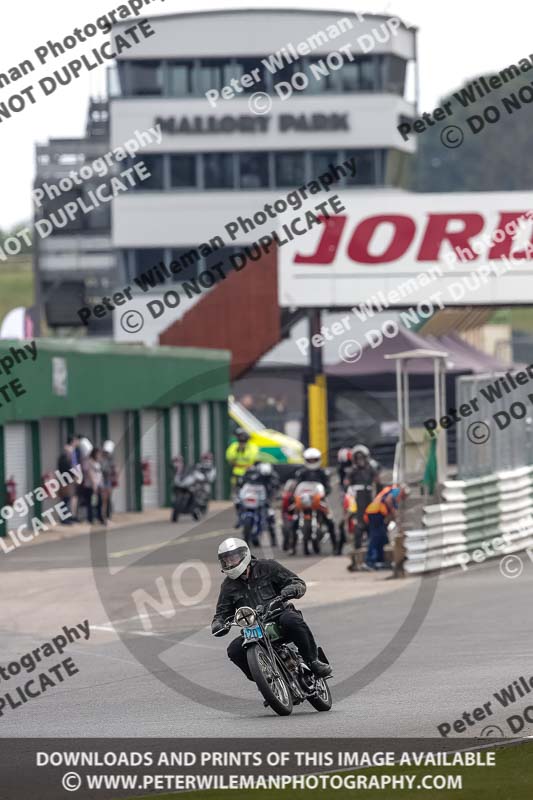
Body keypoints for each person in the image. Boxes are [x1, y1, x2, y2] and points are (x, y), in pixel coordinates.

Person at [211, 537, 332, 679]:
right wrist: (218, 624)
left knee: (291, 619)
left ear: (244, 555)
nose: (230, 562)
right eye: (226, 560)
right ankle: (265, 681)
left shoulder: (268, 567)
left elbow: (296, 582)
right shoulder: (227, 586)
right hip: (253, 629)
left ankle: (313, 661)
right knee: (234, 650)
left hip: (278, 617)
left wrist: (290, 590)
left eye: (233, 558)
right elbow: (221, 613)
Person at [292, 447, 337, 552]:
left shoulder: (323, 473)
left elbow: (328, 487)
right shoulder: (301, 473)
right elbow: (297, 487)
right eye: (310, 460)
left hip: (318, 500)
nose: (312, 462)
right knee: (294, 521)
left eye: (314, 460)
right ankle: (292, 547)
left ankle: (335, 546)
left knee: (330, 521)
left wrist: (324, 493)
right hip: (303, 501)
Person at [362, 485, 408, 570]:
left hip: (379, 513)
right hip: (375, 512)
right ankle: (369, 560)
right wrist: (393, 512)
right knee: (376, 536)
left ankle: (379, 560)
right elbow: (388, 500)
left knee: (382, 537)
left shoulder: (394, 495)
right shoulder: (396, 491)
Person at [239, 461, 280, 546]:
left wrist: (272, 496)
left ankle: (273, 538)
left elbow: (275, 487)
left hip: (265, 499)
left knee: (270, 515)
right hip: (252, 497)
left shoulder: (272, 477)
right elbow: (242, 483)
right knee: (239, 504)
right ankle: (239, 521)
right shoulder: (251, 474)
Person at [83, 447, 105, 525]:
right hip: (91, 486)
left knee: (99, 502)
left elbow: (99, 474)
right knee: (92, 502)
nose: (99, 455)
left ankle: (99, 517)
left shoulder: (98, 462)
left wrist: (101, 484)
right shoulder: (90, 462)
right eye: (98, 454)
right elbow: (90, 473)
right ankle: (90, 518)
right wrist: (94, 485)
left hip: (98, 485)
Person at [100, 440, 116, 523]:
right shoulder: (101, 459)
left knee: (107, 500)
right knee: (104, 501)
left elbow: (112, 469)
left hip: (107, 481)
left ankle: (107, 516)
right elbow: (104, 470)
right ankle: (104, 518)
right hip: (103, 482)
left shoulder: (110, 459)